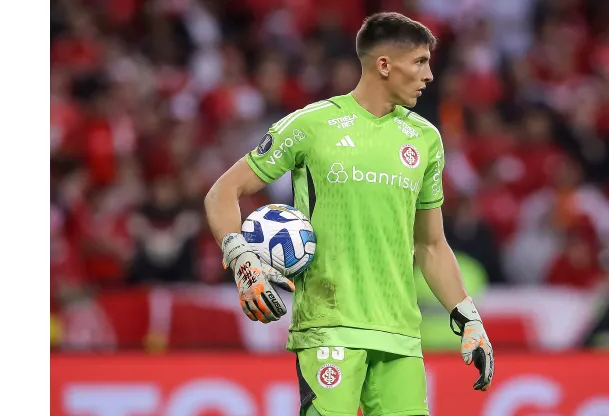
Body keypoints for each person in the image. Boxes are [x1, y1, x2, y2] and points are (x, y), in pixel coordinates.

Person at [204, 12, 494, 416]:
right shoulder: (311, 125)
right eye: (420, 62)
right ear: (384, 64)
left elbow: (430, 244)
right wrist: (242, 259)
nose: (429, 75)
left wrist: (469, 319)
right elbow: (222, 193)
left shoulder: (425, 139)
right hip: (328, 327)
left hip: (400, 337)